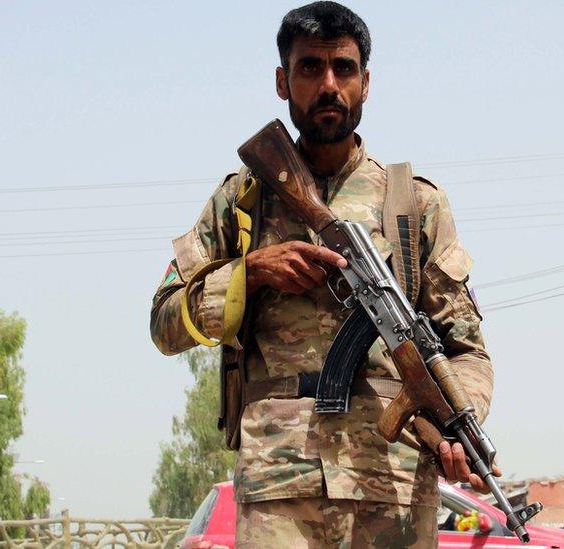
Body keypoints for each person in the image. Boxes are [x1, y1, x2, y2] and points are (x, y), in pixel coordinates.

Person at [150, 2, 497, 546]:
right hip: (280, 487)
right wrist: (248, 274)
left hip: (394, 482)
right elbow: (164, 323)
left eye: (344, 68)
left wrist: (458, 423)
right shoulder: (241, 200)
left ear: (366, 82)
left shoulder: (413, 204)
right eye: (310, 68)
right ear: (283, 82)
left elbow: (467, 348)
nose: (329, 84)